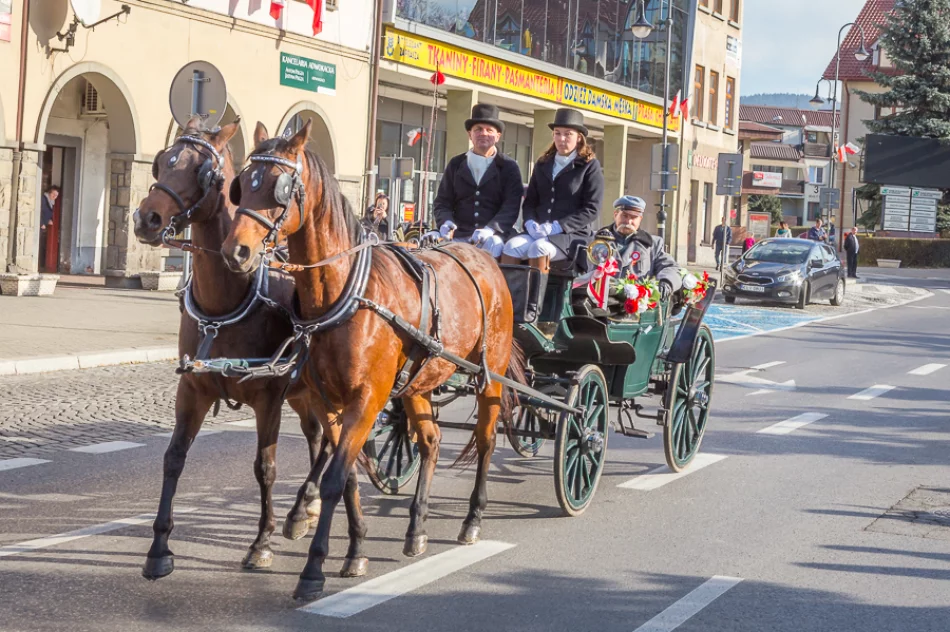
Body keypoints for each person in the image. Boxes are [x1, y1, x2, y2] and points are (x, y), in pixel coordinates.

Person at [501, 108, 603, 276]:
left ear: (579, 137)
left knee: (539, 248)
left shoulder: (589, 166)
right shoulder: (543, 163)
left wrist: (558, 226)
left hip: (570, 236)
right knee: (511, 246)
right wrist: (530, 222)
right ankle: (512, 300)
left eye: (568, 134)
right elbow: (531, 201)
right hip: (538, 231)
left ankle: (535, 302)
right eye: (557, 133)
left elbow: (592, 209)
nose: (562, 139)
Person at [426, 103, 524, 258]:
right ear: (469, 134)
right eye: (478, 129)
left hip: (494, 235)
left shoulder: (508, 167)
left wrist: (490, 229)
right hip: (460, 233)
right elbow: (442, 202)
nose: (483, 133)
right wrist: (445, 222)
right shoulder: (456, 164)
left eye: (489, 130)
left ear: (497, 136)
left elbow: (510, 206)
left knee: (492, 247)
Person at [593, 196, 682, 301]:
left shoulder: (651, 244)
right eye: (624, 216)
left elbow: (671, 268)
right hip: (598, 302)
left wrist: (666, 281)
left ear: (640, 219)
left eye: (634, 217)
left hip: (636, 307)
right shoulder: (595, 239)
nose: (628, 221)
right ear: (616, 215)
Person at [39, 185, 59, 270]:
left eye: (56, 195)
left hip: (44, 226)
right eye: (53, 194)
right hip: (40, 226)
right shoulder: (43, 199)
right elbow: (39, 211)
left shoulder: (51, 202)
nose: (55, 196)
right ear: (49, 193)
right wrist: (41, 223)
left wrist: (49, 220)